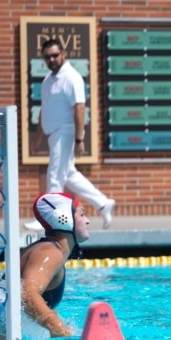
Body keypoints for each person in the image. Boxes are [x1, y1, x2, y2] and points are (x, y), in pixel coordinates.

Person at [0, 192, 91, 340]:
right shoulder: (50, 253)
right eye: (82, 214)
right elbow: (27, 295)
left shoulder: (47, 250)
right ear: (63, 218)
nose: (88, 221)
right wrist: (62, 331)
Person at [30, 39, 116, 231]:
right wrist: (37, 138)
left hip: (66, 131)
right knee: (68, 174)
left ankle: (48, 218)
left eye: (54, 55)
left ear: (63, 54)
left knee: (55, 175)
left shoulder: (71, 77)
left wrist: (79, 139)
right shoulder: (48, 81)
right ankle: (103, 203)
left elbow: (79, 107)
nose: (51, 59)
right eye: (47, 56)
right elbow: (45, 110)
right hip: (53, 134)